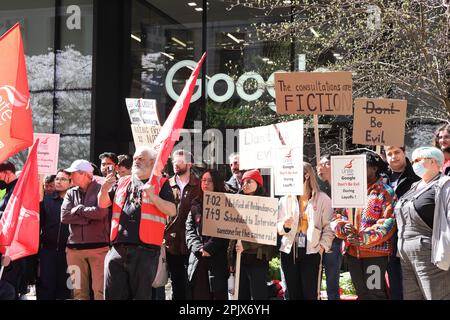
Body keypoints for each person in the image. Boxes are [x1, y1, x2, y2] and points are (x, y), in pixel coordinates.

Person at [99, 146, 176, 300]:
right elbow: (102, 204)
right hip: (117, 249)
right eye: (135, 158)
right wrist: (104, 189)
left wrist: (154, 197)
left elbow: (172, 210)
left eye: (141, 158)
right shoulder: (122, 182)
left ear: (152, 162)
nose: (136, 161)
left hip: (145, 251)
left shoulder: (160, 183)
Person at [332, 151, 396, 300]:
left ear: (374, 168)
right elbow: (336, 215)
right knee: (361, 293)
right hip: (353, 253)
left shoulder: (385, 192)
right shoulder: (348, 188)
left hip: (375, 254)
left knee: (375, 293)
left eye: (364, 166)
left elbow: (388, 222)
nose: (358, 170)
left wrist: (363, 239)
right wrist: (343, 227)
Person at [395, 146, 450, 299]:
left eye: (418, 160)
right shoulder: (413, 187)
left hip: (430, 254)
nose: (413, 164)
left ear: (433, 162)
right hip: (406, 254)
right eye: (412, 161)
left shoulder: (445, 185)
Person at [278, 162, 334, 300]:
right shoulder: (286, 199)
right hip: (289, 251)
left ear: (307, 175)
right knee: (292, 294)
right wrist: (285, 225)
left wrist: (322, 247)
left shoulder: (323, 199)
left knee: (310, 294)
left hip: (312, 251)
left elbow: (329, 227)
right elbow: (278, 227)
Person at [61, 159, 110, 300]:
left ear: (83, 174)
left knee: (100, 291)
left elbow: (101, 213)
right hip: (73, 250)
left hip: (99, 249)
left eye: (73, 173)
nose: (70, 177)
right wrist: (88, 217)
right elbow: (64, 217)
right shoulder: (70, 193)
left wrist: (79, 210)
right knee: (77, 292)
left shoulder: (102, 188)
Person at [229, 169, 274, 300]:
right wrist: (230, 258)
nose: (245, 184)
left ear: (258, 183)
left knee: (258, 295)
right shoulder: (236, 202)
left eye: (249, 181)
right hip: (240, 257)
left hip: (258, 259)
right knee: (242, 295)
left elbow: (267, 234)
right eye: (243, 182)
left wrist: (246, 245)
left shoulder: (267, 204)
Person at [186, 169, 229, 300]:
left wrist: (209, 248)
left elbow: (226, 229)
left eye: (209, 181)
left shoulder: (226, 203)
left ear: (216, 183)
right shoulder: (196, 203)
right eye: (203, 180)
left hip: (217, 259)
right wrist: (198, 247)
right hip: (198, 258)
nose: (205, 183)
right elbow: (189, 229)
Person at [384, 146, 420, 300]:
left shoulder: (417, 175)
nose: (393, 157)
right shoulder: (381, 178)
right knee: (394, 282)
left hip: (411, 235)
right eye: (389, 154)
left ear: (404, 153)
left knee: (413, 283)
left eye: (397, 152)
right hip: (387, 237)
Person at [165, 149, 200, 300]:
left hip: (193, 242)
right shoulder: (166, 184)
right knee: (176, 284)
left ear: (189, 164)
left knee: (193, 284)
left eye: (179, 161)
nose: (176, 164)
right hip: (171, 243)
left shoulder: (199, 185)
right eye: (174, 161)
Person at [37, 169, 72, 300]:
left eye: (63, 179)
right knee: (46, 286)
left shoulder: (76, 200)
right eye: (57, 178)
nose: (59, 181)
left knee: (65, 288)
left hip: (68, 251)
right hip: (47, 250)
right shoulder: (46, 200)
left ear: (71, 182)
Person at [316, 154, 343, 300]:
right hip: (315, 237)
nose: (321, 167)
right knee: (314, 278)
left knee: (332, 277)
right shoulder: (315, 187)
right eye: (319, 164)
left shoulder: (344, 186)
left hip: (334, 238)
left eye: (325, 163)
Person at [0, 161, 27, 298]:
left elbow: (12, 217)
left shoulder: (17, 191)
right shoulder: (10, 191)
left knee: (9, 289)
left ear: (7, 173)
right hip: (8, 248)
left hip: (12, 251)